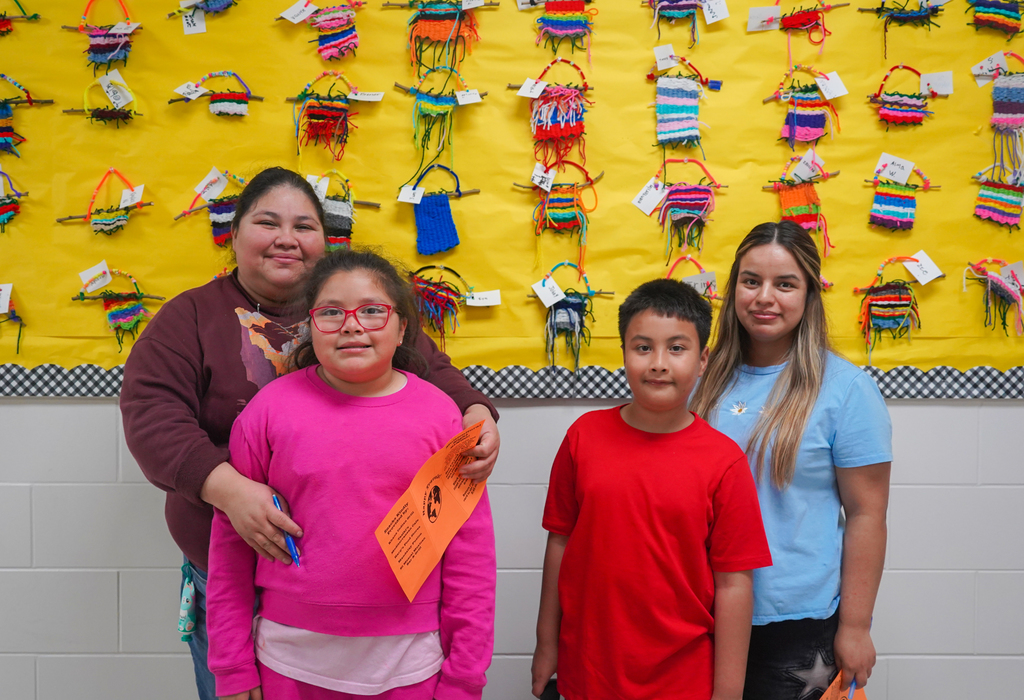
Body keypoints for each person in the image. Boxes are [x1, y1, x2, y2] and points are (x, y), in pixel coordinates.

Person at [119, 167, 500, 700]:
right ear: (233, 235)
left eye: (304, 226)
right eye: (267, 222)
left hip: (390, 618)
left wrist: (478, 414)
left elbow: (435, 374)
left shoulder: (358, 309)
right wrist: (231, 492)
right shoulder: (191, 316)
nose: (286, 239)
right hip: (234, 574)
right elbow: (151, 414)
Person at [207, 249, 495, 700]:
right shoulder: (268, 412)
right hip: (286, 659)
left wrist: (464, 677)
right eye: (331, 312)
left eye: (373, 311)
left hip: (410, 663)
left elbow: (469, 558)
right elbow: (230, 546)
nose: (352, 325)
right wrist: (232, 667)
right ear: (310, 325)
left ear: (403, 329)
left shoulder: (442, 417)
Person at [532, 278, 773, 700]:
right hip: (587, 673)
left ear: (703, 360)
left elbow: (735, 585)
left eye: (677, 348)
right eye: (643, 347)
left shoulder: (725, 462)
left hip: (683, 682)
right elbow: (560, 544)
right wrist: (546, 644)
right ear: (623, 353)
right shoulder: (582, 437)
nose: (659, 363)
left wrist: (729, 692)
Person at [690, 221, 892, 700]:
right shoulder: (695, 376)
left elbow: (867, 514)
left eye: (785, 284)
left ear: (809, 296)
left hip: (795, 622)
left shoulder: (846, 389)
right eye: (751, 280)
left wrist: (857, 626)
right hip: (697, 609)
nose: (765, 297)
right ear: (733, 287)